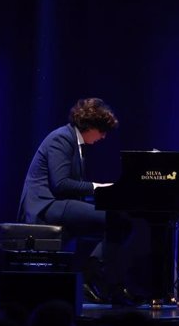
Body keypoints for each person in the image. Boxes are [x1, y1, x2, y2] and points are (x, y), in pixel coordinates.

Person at [17, 97, 137, 306]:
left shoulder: (74, 141)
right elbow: (61, 184)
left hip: (59, 203)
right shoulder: (61, 139)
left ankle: (99, 277)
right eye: (102, 131)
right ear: (90, 126)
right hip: (47, 205)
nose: (103, 136)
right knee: (116, 220)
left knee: (119, 222)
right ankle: (95, 276)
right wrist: (98, 187)